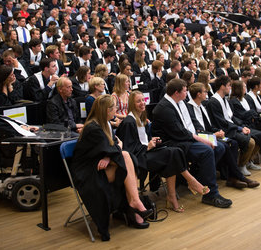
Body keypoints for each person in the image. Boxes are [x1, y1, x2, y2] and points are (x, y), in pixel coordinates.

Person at [71, 94, 153, 241]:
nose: (116, 110)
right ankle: (134, 204)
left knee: (126, 159)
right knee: (127, 158)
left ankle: (134, 204)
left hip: (101, 165)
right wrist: (112, 152)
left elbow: (113, 147)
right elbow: (115, 146)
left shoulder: (105, 123)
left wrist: (109, 155)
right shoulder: (93, 128)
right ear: (106, 110)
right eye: (114, 108)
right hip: (88, 171)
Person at [116, 91, 209, 212]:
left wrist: (151, 141)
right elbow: (129, 150)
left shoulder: (140, 118)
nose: (142, 103)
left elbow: (140, 141)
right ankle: (191, 182)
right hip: (138, 159)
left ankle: (172, 196)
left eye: (143, 100)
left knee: (175, 152)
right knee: (172, 154)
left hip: (145, 153)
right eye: (138, 101)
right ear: (132, 104)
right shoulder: (129, 122)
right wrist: (147, 146)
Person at [151, 78, 232, 208]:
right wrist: (201, 139)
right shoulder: (164, 108)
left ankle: (197, 179)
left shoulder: (177, 102)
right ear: (177, 93)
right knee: (207, 150)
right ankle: (211, 194)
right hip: (171, 144)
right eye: (185, 90)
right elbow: (179, 132)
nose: (187, 93)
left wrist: (205, 136)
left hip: (181, 139)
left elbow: (189, 126)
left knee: (219, 147)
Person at [186, 83, 259, 189]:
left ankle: (232, 177)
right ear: (198, 94)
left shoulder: (202, 106)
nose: (207, 93)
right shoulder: (190, 108)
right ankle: (238, 177)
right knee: (225, 145)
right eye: (205, 92)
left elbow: (208, 126)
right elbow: (196, 130)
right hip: (200, 138)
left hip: (208, 135)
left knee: (232, 143)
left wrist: (217, 132)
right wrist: (214, 134)